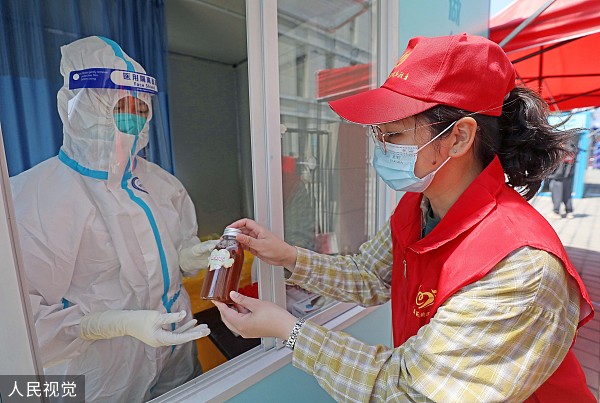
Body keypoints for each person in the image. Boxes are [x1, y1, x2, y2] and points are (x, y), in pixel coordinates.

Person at [213, 34, 595, 402]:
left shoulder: (521, 268)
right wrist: (286, 256)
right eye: (378, 136)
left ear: (459, 137)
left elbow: (412, 393)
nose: (379, 151)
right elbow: (371, 275)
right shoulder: (419, 206)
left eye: (392, 135)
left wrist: (290, 331)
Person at [10, 36, 218, 402]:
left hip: (177, 351)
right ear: (81, 109)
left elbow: (169, 255)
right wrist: (109, 324)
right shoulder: (34, 198)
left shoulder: (162, 183)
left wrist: (186, 257)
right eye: (119, 107)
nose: (133, 121)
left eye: (141, 110)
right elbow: (18, 320)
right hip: (100, 374)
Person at [548, 146, 577, 218]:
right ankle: (569, 211)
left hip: (557, 175)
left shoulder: (558, 148)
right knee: (567, 193)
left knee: (556, 194)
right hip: (568, 175)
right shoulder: (572, 148)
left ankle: (556, 212)